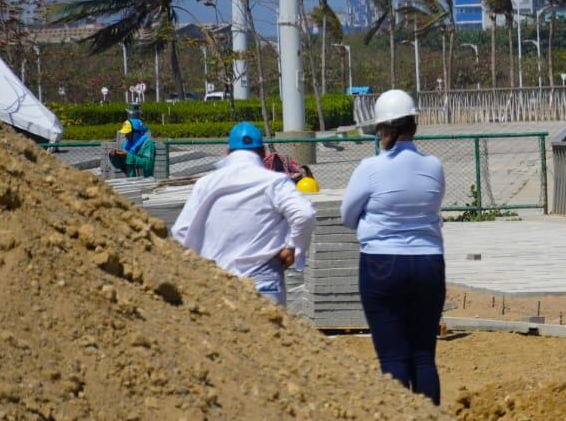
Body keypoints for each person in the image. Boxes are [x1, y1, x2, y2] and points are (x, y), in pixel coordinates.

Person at [342, 89, 447, 405]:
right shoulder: (434, 166)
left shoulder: (369, 168)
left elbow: (347, 216)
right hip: (428, 262)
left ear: (383, 128)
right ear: (413, 124)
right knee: (423, 356)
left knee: (393, 357)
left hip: (381, 263)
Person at [171, 122, 316, 305]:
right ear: (263, 152)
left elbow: (181, 231)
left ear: (227, 152)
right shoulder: (275, 182)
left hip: (218, 281)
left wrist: (195, 270)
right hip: (264, 280)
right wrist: (293, 247)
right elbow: (304, 213)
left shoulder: (206, 183)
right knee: (270, 324)